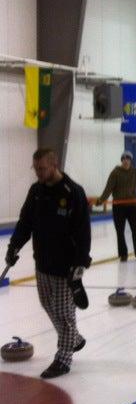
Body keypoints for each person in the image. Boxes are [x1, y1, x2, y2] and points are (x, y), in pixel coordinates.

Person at [5, 149, 91, 379]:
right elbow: (25, 223)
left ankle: (63, 358)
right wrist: (13, 247)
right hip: (42, 262)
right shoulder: (36, 191)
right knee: (46, 303)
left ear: (54, 164)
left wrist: (80, 263)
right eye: (36, 169)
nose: (39, 173)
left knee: (64, 313)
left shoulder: (73, 192)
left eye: (42, 168)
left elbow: (83, 232)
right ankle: (74, 339)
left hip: (66, 266)